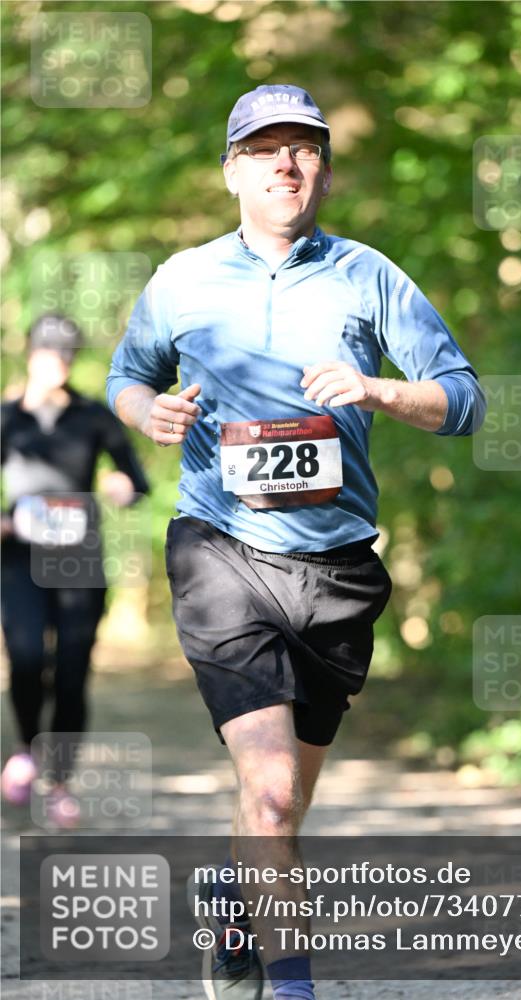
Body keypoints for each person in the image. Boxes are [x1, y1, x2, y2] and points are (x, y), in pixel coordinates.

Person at [107, 84, 486, 1000]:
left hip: (338, 567)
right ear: (231, 168)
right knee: (270, 792)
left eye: (304, 148)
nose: (286, 163)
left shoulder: (369, 276)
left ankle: (238, 897)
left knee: (285, 799)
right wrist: (145, 412)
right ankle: (291, 986)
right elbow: (128, 375)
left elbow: (463, 400)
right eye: (265, 149)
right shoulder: (183, 279)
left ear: (323, 167)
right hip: (219, 548)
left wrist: (380, 390)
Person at [1, 313, 149, 827]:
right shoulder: (6, 419)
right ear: (31, 354)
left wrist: (122, 490)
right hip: (18, 559)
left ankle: (60, 782)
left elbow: (135, 479)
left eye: (67, 354)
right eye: (49, 352)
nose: (58, 362)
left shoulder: (93, 416)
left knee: (71, 671)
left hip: (77, 560)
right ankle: (25, 747)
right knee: (23, 659)